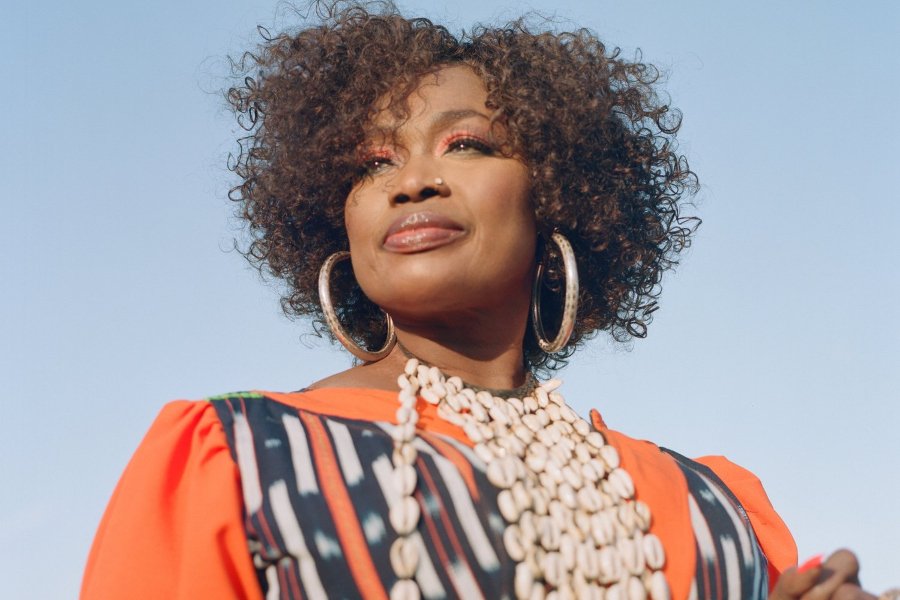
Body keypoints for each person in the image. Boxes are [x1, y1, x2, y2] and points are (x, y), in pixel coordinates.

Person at [81, 2, 880, 598]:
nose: (413, 180)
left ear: (561, 198)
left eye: (466, 145)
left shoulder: (717, 509)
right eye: (372, 163)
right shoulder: (239, 456)